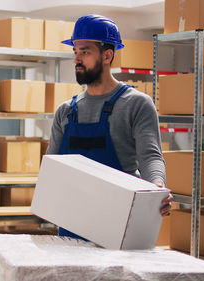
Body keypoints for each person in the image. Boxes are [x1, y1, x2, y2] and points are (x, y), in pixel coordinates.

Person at [46, 14, 173, 239]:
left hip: (120, 224)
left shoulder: (136, 104)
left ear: (107, 55)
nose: (77, 59)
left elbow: (150, 156)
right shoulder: (65, 111)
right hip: (71, 229)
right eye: (75, 52)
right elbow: (51, 169)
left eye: (85, 52)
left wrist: (156, 187)